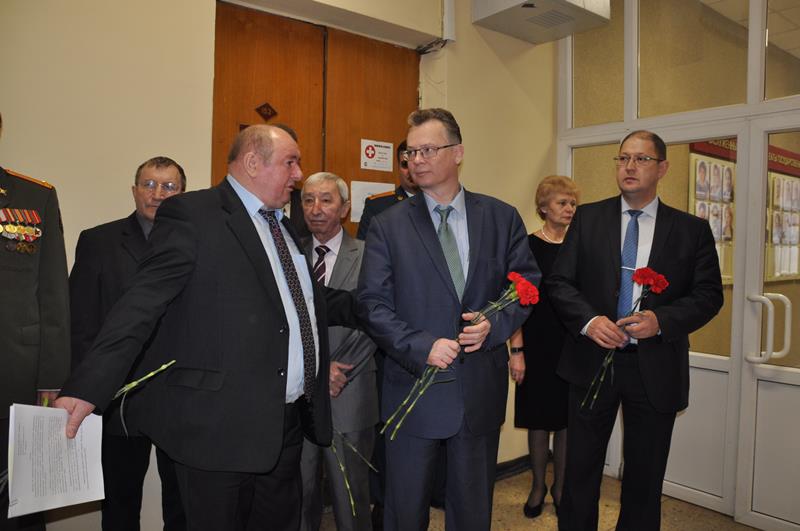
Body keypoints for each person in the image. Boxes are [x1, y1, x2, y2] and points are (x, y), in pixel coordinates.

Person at [55, 124, 356, 531]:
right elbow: (141, 303)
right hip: (219, 432)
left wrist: (382, 310)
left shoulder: (283, 225)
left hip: (284, 426)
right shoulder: (193, 214)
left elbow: (302, 301)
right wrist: (86, 386)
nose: (299, 174)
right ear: (253, 162)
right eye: (291, 162)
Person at [358, 108, 539, 531]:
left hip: (478, 393)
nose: (416, 160)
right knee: (404, 512)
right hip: (412, 390)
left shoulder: (501, 217)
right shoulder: (388, 226)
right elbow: (371, 304)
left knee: (472, 512)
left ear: (457, 152)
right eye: (410, 152)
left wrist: (494, 325)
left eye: (428, 150)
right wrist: (422, 345)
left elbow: (526, 284)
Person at [548, 130, 723, 530]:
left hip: (655, 366)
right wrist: (590, 321)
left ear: (662, 168)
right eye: (623, 158)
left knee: (645, 477)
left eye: (641, 159)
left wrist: (662, 321)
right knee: (580, 471)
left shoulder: (691, 230)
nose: (629, 166)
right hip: (592, 361)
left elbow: (709, 295)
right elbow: (559, 282)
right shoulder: (587, 218)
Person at [69, 156, 187, 531]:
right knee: (119, 505)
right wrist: (85, 386)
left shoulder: (197, 243)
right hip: (119, 395)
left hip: (179, 396)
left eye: (169, 186)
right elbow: (82, 322)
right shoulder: (98, 241)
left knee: (183, 507)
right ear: (134, 191)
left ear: (182, 194)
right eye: (149, 184)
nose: (158, 194)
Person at [0, 111, 70, 531]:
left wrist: (52, 380)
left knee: (18, 504)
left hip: (14, 376)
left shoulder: (32, 196)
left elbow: (53, 294)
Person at [299, 172, 378, 531]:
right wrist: (315, 369)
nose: (316, 208)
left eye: (326, 200)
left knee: (351, 496)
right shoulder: (289, 255)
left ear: (345, 208)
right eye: (308, 200)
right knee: (300, 492)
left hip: (348, 389)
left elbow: (376, 321)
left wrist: (335, 369)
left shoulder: (369, 256)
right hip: (299, 395)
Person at [508, 175, 579, 520]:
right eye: (562, 203)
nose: (569, 209)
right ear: (543, 207)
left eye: (573, 203)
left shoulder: (579, 246)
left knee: (566, 421)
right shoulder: (527, 247)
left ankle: (561, 488)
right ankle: (538, 487)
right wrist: (517, 351)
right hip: (536, 344)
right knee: (538, 420)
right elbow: (513, 301)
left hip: (572, 345)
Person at [356, 140, 419, 240]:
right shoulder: (377, 207)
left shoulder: (439, 203)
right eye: (405, 165)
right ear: (398, 168)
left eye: (416, 164)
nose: (411, 170)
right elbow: (365, 247)